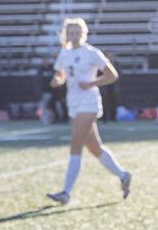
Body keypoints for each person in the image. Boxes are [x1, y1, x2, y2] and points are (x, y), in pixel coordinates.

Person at [45, 18, 131, 205]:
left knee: (75, 146)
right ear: (66, 35)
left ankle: (66, 193)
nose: (73, 36)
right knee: (94, 148)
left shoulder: (91, 53)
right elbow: (61, 73)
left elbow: (112, 75)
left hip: (89, 102)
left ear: (83, 34)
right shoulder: (65, 53)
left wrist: (91, 83)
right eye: (71, 33)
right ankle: (123, 175)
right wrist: (57, 80)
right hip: (73, 103)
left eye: (77, 33)